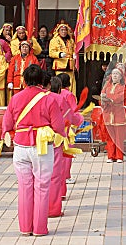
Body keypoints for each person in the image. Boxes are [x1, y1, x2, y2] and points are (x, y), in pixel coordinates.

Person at [1, 64, 66, 236]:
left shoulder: (15, 98)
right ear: (42, 81)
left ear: (23, 80)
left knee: (24, 187)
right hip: (42, 146)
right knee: (42, 186)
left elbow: (6, 124)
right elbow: (59, 126)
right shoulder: (49, 98)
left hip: (21, 146)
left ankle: (25, 228)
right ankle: (39, 228)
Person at [48, 76, 83, 218]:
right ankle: (57, 201)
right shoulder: (65, 96)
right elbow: (72, 113)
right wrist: (79, 120)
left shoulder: (41, 98)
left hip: (39, 139)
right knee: (60, 167)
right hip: (61, 134)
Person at [101, 68, 126, 163]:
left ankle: (119, 157)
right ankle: (110, 156)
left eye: (117, 74)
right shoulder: (107, 87)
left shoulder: (123, 87)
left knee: (119, 137)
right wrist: (103, 99)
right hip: (109, 114)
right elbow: (102, 96)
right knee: (110, 137)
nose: (115, 75)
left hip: (119, 114)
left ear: (121, 77)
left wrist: (108, 98)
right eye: (113, 74)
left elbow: (120, 97)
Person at [49, 24, 76, 96]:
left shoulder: (70, 40)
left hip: (70, 65)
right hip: (60, 65)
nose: (64, 32)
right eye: (62, 30)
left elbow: (74, 49)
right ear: (58, 31)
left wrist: (74, 54)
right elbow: (51, 53)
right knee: (60, 84)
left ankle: (72, 100)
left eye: (65, 30)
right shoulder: (54, 40)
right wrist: (59, 54)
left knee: (72, 85)